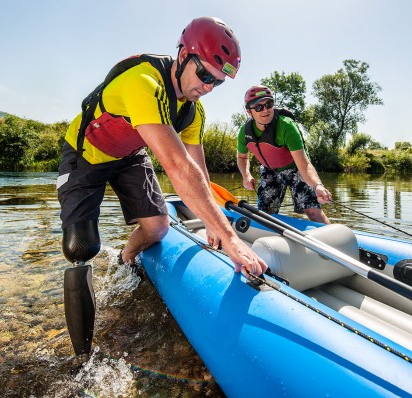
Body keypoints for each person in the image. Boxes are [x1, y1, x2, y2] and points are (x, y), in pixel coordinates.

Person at [56, 17, 268, 357]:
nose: (209, 87)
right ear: (183, 55)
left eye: (218, 81)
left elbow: (198, 169)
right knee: (80, 247)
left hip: (129, 155)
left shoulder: (194, 112)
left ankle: (125, 258)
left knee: (158, 228)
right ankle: (82, 359)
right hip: (86, 154)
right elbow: (178, 168)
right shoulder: (144, 81)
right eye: (204, 75)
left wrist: (215, 223)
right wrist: (230, 239)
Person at [237, 85, 332, 224]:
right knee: (265, 215)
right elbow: (242, 157)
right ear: (249, 112)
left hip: (296, 169)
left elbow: (304, 164)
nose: (266, 110)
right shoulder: (244, 132)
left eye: (269, 104)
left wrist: (317, 185)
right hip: (270, 171)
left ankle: (332, 239)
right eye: (259, 107)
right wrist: (246, 175)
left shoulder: (287, 125)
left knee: (312, 211)